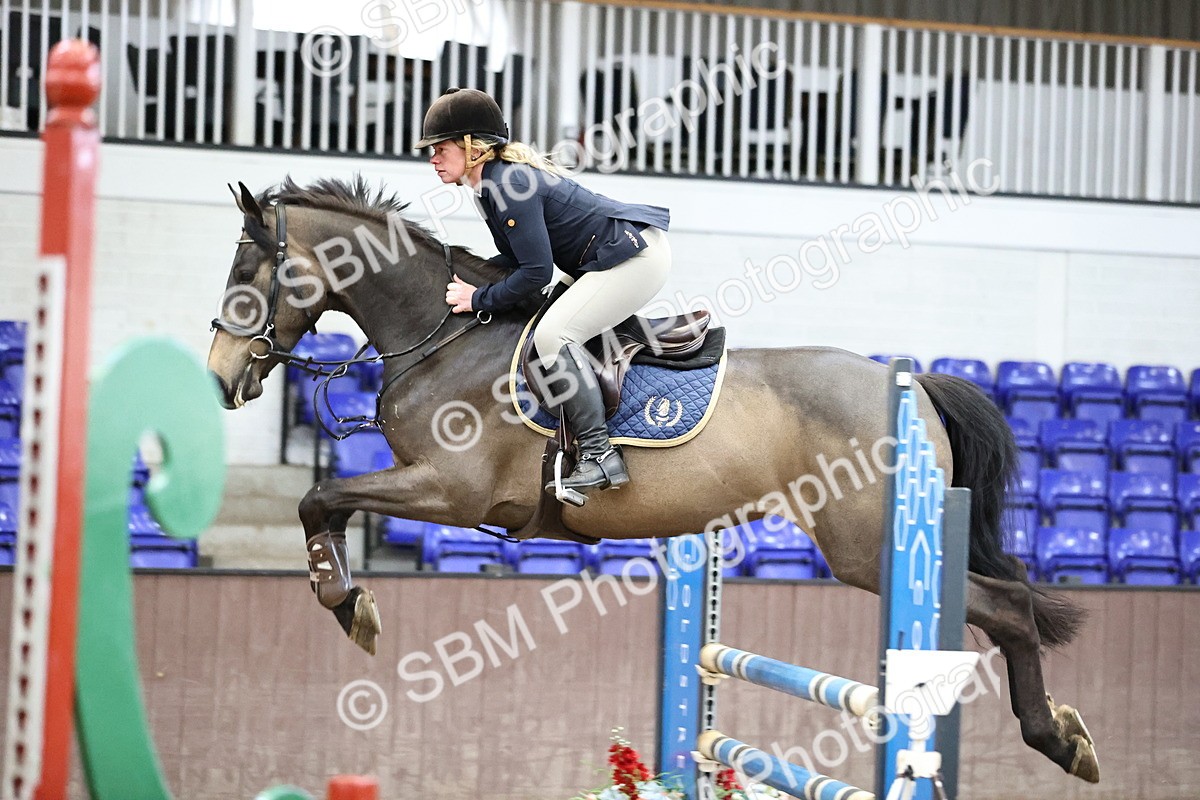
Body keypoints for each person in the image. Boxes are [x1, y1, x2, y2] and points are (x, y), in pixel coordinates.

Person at [417, 87, 672, 500]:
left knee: (554, 335)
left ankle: (599, 455)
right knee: (544, 324)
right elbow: (517, 259)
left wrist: (477, 298)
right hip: (606, 257)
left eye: (440, 148)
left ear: (471, 146)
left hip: (634, 259)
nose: (432, 158)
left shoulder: (507, 183)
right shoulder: (488, 185)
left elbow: (534, 274)